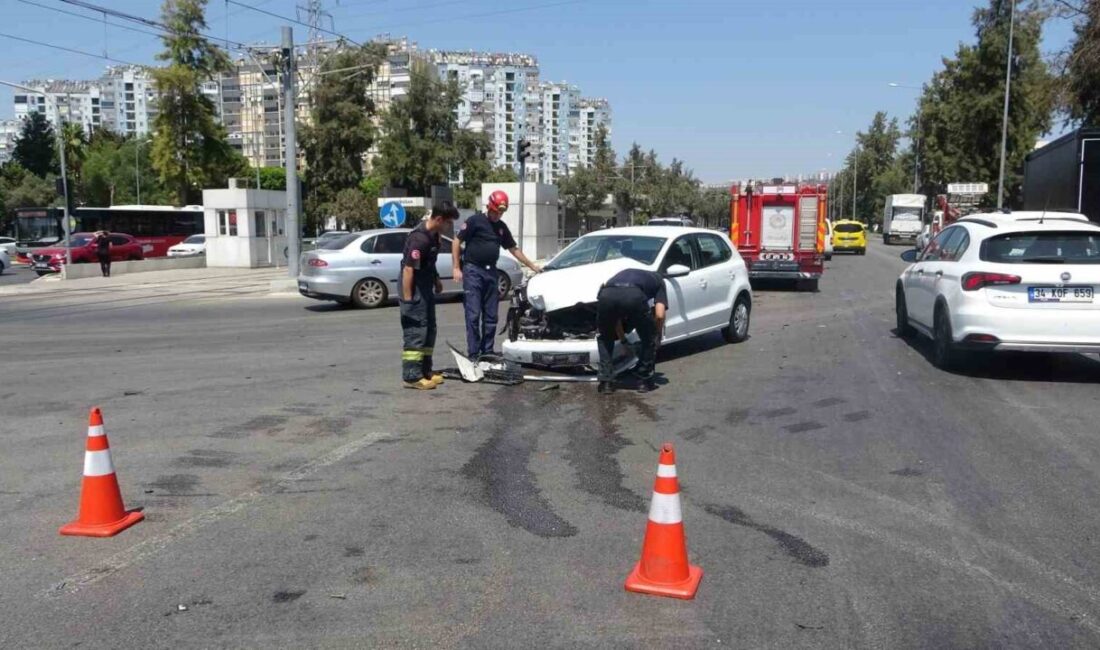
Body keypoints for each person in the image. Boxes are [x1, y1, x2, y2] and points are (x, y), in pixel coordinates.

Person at [452, 190, 541, 359]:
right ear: (489, 207)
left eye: (501, 212)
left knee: (491, 315)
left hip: (491, 272)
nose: (498, 215)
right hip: (473, 271)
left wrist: (532, 265)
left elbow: (513, 248)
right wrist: (456, 267)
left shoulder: (501, 228)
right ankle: (473, 353)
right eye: (496, 211)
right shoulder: (475, 221)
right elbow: (457, 241)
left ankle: (487, 351)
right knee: (473, 314)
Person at [400, 202, 458, 390]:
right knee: (416, 330)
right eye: (448, 223)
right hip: (414, 287)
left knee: (429, 329)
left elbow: (429, 264)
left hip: (425, 286)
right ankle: (412, 375)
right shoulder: (420, 239)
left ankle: (425, 370)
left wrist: (437, 280)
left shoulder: (434, 236)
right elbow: (409, 270)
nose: (450, 226)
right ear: (439, 219)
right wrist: (408, 301)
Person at [595, 268, 668, 395]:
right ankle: (644, 381)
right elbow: (660, 315)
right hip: (633, 296)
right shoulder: (659, 281)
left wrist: (623, 340)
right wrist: (657, 336)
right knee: (648, 338)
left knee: (605, 338)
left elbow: (615, 318)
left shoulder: (624, 274)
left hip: (606, 295)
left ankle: (606, 382)